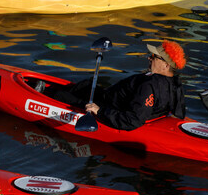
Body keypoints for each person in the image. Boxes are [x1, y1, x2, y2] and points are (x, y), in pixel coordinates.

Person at [47, 41, 187, 131]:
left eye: (153, 56)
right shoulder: (175, 83)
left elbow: (134, 120)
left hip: (109, 109)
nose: (149, 58)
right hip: (114, 100)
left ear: (166, 65)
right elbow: (179, 113)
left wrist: (99, 111)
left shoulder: (149, 85)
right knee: (86, 86)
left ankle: (43, 93)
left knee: (60, 96)